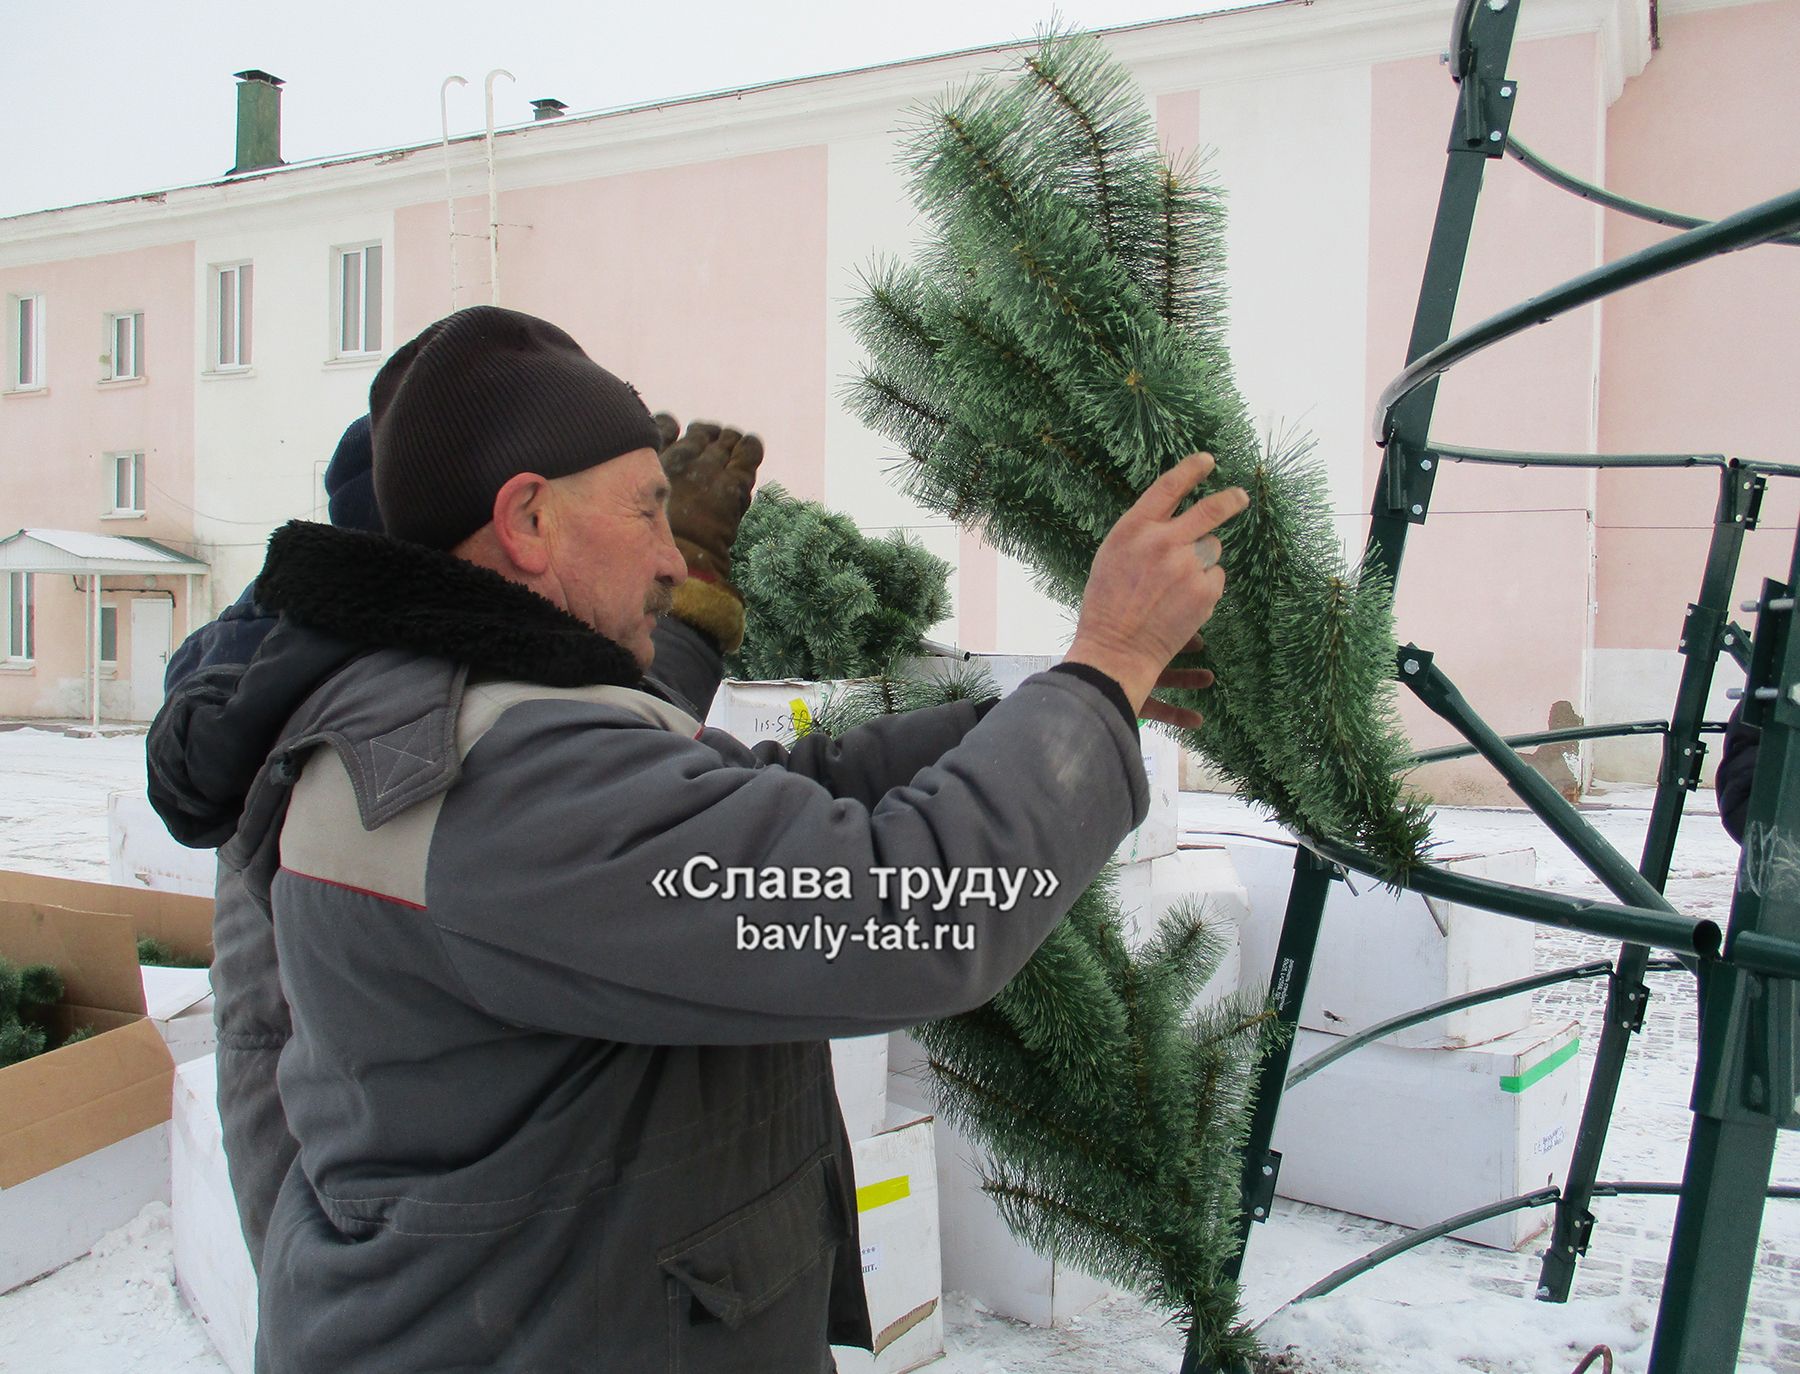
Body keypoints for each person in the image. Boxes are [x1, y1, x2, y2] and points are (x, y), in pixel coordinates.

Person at [147, 305, 1243, 1374]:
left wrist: (1040, 712)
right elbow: (906, 913)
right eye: (645, 511)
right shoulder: (491, 776)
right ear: (528, 520)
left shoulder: (496, 710)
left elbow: (745, 800)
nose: (679, 561)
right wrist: (1109, 662)